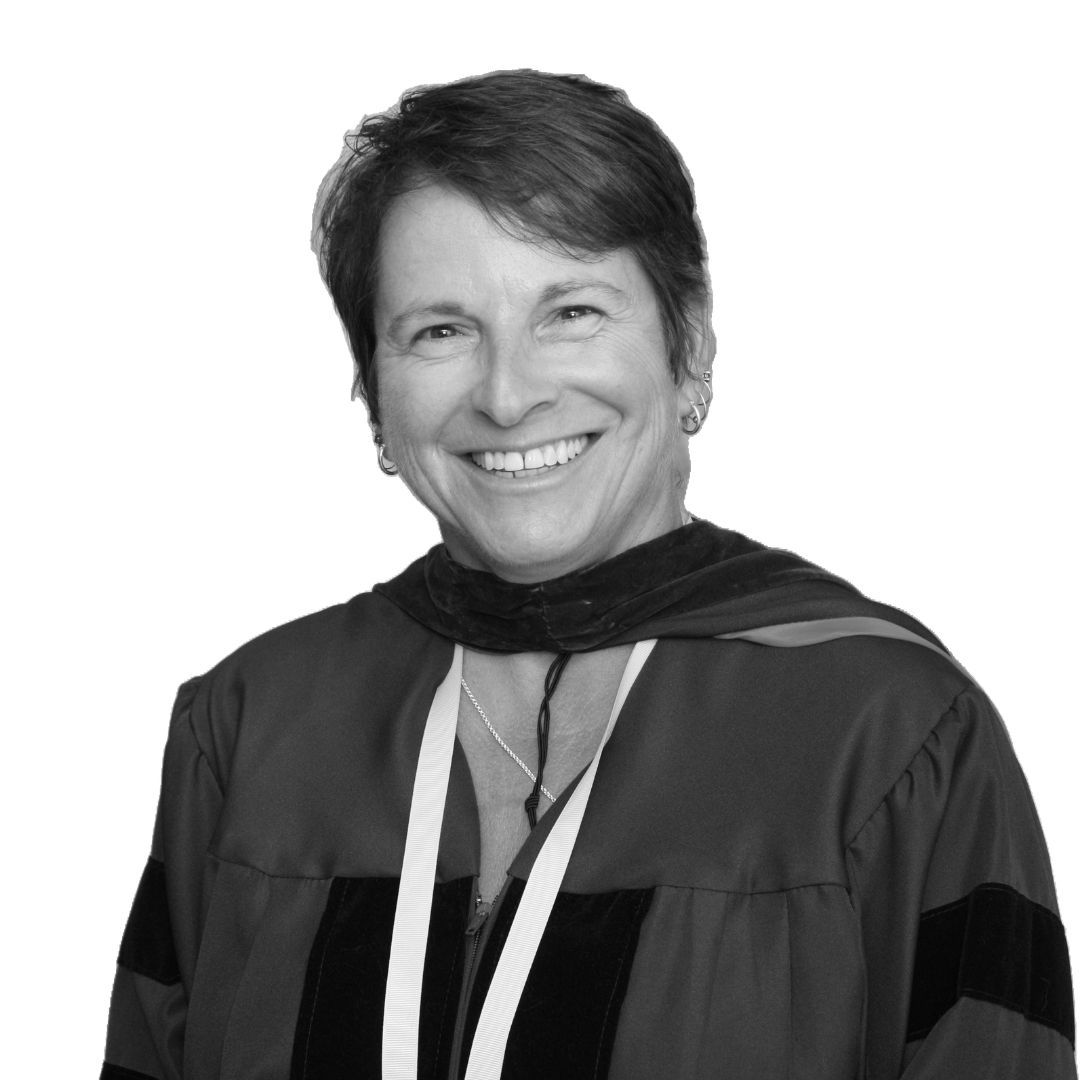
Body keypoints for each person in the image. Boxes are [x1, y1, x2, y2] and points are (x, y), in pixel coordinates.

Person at [100, 70, 1075, 1080]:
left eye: (570, 312)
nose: (508, 395)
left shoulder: (890, 739)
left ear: (689, 347)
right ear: (374, 391)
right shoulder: (252, 727)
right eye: (441, 330)